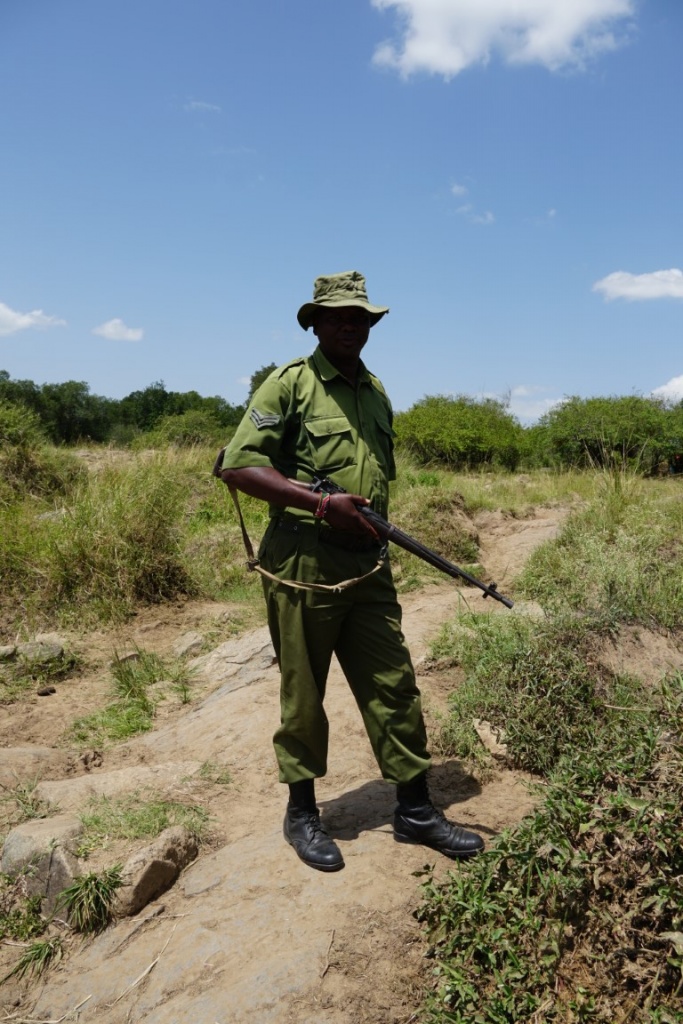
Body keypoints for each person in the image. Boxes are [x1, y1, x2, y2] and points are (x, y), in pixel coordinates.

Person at [216, 270, 484, 872]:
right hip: (304, 563)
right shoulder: (288, 386)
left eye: (359, 318)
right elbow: (237, 467)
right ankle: (303, 813)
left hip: (369, 566)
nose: (349, 326)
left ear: (370, 325)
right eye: (336, 316)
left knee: (394, 685)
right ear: (314, 322)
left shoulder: (376, 392)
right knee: (304, 692)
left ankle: (415, 810)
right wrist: (319, 504)